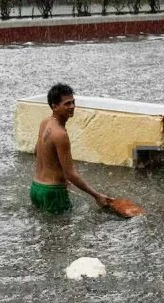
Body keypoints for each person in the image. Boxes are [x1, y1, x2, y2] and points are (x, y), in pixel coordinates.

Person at [30, 83, 114, 215]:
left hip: (36, 188)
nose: (72, 107)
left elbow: (36, 152)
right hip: (53, 192)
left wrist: (57, 174)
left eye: (73, 102)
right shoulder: (60, 134)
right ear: (54, 106)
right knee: (63, 234)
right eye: (67, 104)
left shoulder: (45, 122)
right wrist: (96, 195)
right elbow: (71, 174)